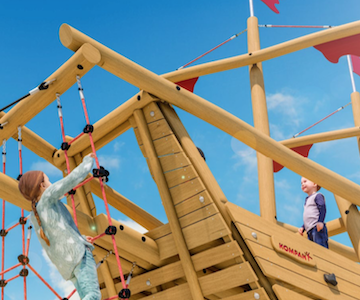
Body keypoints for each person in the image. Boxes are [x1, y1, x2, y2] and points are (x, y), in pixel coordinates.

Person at [18, 153, 101, 300]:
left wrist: (80, 238)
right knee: (93, 296)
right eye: (48, 181)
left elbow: (57, 237)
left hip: (66, 265)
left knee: (87, 296)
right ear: (42, 186)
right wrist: (88, 161)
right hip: (79, 256)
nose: (51, 184)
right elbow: (70, 180)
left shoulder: (34, 216)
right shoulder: (48, 197)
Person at [298, 177, 328, 249]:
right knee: (312, 249)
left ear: (314, 184)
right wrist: (303, 227)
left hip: (316, 227)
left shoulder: (318, 196)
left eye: (305, 181)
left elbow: (322, 208)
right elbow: (309, 216)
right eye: (301, 183)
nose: (303, 184)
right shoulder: (307, 200)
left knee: (320, 247)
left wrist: (320, 221)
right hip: (309, 229)